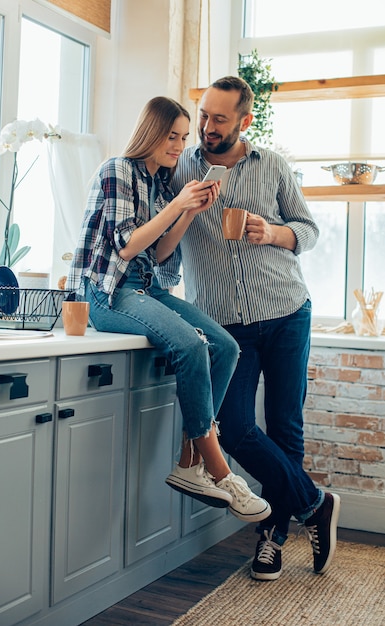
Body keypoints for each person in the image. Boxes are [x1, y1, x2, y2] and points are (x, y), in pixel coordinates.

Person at [157, 77, 340, 580]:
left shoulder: (273, 165)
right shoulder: (182, 171)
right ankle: (314, 503)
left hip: (285, 312)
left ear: (244, 121)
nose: (206, 128)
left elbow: (308, 229)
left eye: (219, 118)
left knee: (285, 428)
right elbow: (162, 256)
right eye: (203, 116)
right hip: (226, 326)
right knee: (233, 429)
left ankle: (274, 537)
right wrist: (184, 208)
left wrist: (273, 232)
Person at [65, 96, 271, 524]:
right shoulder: (116, 170)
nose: (179, 145)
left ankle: (187, 460)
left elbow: (159, 255)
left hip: (143, 287)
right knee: (192, 348)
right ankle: (218, 470)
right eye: (171, 136)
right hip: (105, 291)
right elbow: (126, 245)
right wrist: (179, 205)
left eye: (182, 137)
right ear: (151, 133)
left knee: (226, 347)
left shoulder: (162, 183)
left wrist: (190, 211)